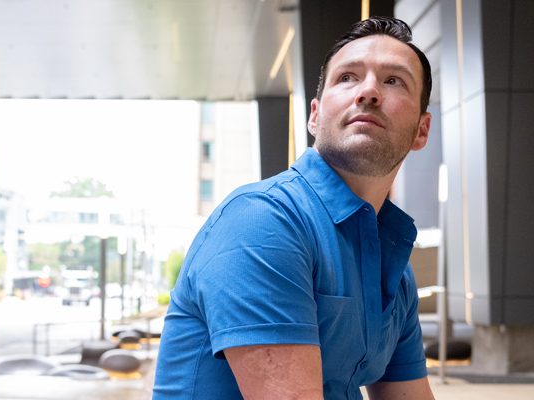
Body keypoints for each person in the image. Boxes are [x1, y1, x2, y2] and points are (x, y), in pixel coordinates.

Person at [152, 17, 435, 400]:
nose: (368, 91)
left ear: (422, 130)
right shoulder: (262, 223)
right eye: (347, 77)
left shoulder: (392, 268)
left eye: (393, 80)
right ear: (315, 116)